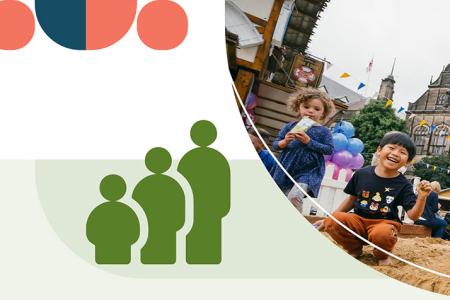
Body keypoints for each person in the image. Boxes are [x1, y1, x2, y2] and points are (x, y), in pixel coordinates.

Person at [315, 131, 432, 265]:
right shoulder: (362, 173)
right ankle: (354, 249)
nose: (395, 153)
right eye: (392, 148)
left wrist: (422, 197)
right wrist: (330, 218)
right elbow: (351, 199)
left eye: (402, 152)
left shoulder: (403, 184)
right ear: (379, 150)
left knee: (382, 234)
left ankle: (382, 254)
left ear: (408, 161)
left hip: (385, 223)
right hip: (358, 220)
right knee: (334, 220)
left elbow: (413, 216)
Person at [270, 87, 334, 212]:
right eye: (306, 107)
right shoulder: (290, 126)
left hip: (309, 170)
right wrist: (285, 141)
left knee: (294, 197)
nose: (310, 111)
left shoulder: (324, 131)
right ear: (298, 107)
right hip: (287, 166)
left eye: (316, 109)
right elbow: (276, 144)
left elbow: (329, 149)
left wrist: (309, 142)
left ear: (323, 113)